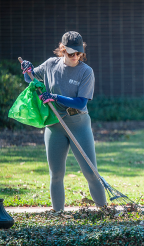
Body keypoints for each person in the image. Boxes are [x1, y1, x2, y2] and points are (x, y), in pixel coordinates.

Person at [21, 31, 106, 211]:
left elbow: (81, 103)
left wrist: (54, 96)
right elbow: (30, 78)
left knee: (91, 173)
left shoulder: (86, 72)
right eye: (71, 53)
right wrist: (27, 70)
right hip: (55, 125)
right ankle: (58, 214)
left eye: (79, 53)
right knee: (56, 174)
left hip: (78, 124)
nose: (76, 57)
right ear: (62, 50)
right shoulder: (51, 65)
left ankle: (104, 212)